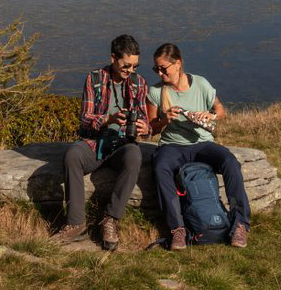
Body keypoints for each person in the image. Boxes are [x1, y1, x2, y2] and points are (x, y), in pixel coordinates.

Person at [148, 43, 249, 249]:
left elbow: (221, 110)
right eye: (156, 69)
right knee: (160, 167)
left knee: (230, 162)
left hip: (202, 144)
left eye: (163, 68)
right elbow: (151, 129)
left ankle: (240, 224)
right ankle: (177, 229)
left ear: (178, 64)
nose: (159, 73)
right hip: (172, 146)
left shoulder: (201, 84)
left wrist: (211, 115)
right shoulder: (155, 92)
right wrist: (165, 120)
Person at [54, 34, 149, 251]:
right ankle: (75, 223)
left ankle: (111, 219)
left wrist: (145, 128)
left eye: (135, 66)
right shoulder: (95, 78)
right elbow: (85, 118)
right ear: (113, 58)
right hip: (95, 141)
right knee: (72, 155)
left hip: (123, 143)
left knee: (134, 157)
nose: (130, 71)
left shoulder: (138, 83)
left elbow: (144, 119)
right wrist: (108, 119)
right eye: (126, 66)